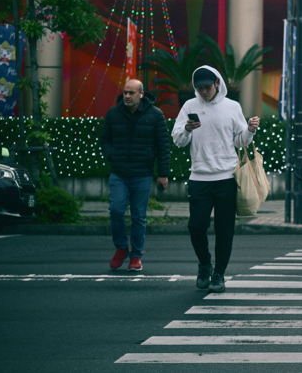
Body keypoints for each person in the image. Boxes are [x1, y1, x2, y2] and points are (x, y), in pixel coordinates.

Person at [172, 65, 260, 293]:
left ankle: (218, 274)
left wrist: (250, 130)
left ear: (217, 83)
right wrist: (187, 130)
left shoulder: (232, 107)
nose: (203, 92)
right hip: (199, 177)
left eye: (207, 87)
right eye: (199, 88)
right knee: (196, 226)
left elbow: (240, 141)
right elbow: (178, 140)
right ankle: (204, 264)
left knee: (224, 229)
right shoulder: (189, 106)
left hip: (226, 178)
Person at [100, 79, 169, 272]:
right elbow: (104, 139)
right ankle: (122, 248)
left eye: (131, 93)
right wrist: (111, 155)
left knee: (139, 216)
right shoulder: (113, 113)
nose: (127, 96)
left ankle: (136, 255)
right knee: (115, 210)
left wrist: (163, 174)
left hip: (143, 173)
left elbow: (163, 146)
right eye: (125, 92)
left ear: (141, 94)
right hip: (119, 172)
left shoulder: (155, 115)